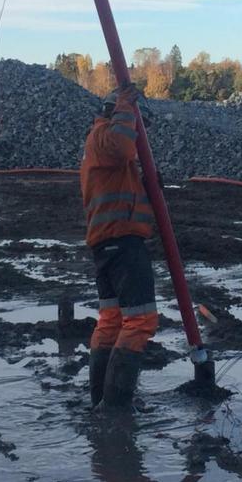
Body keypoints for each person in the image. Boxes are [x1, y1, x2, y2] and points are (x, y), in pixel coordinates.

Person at [80, 84, 159, 411]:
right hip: (122, 242)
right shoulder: (104, 138)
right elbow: (123, 145)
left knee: (112, 320)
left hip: (107, 245)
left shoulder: (99, 148)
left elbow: (124, 167)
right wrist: (126, 107)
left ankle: (101, 399)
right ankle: (115, 407)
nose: (139, 137)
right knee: (140, 321)